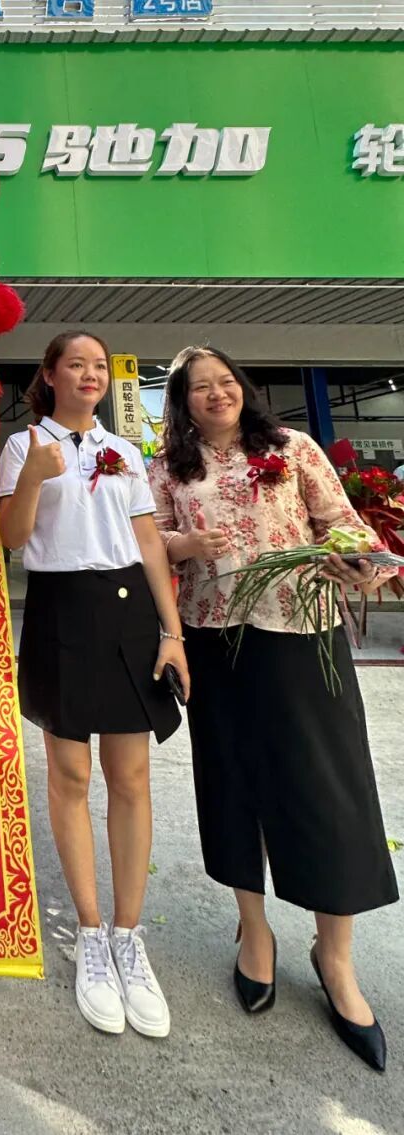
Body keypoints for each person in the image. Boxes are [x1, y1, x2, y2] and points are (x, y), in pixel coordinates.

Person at [149, 345, 398, 1072]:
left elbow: (344, 525)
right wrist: (183, 543)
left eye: (225, 382)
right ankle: (253, 931)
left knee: (328, 789)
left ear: (243, 388)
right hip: (215, 636)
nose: (216, 394)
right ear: (183, 401)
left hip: (302, 632)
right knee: (233, 782)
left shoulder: (293, 447)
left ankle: (335, 956)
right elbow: (149, 540)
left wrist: (358, 559)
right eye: (200, 388)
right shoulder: (169, 468)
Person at [0, 331, 189, 1040]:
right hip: (59, 608)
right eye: (74, 364)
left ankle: (128, 936)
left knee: (130, 775)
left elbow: (148, 542)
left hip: (129, 610)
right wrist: (34, 475)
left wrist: (172, 631)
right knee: (71, 773)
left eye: (99, 366)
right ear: (49, 375)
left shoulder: (125, 451)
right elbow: (11, 538)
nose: (89, 374)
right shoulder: (22, 446)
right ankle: (89, 933)